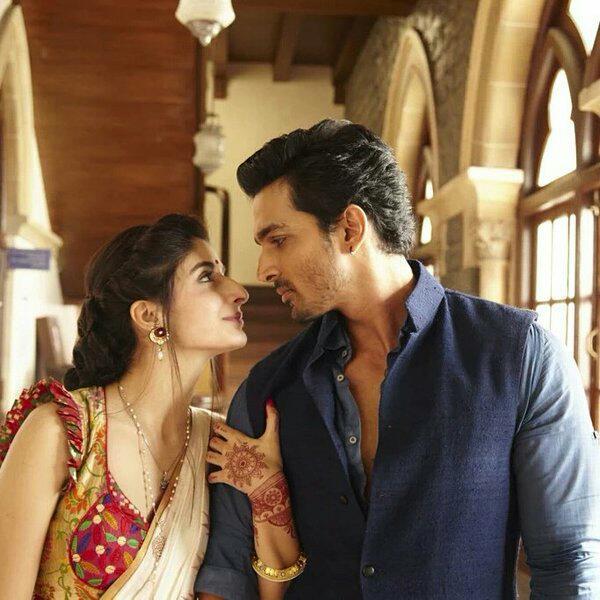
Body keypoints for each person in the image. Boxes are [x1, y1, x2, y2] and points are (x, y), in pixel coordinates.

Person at [196, 120, 600, 599]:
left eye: (278, 239)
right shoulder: (267, 390)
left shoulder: (520, 356)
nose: (264, 269)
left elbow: (569, 562)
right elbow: (228, 576)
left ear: (350, 229)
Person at [0, 214, 301, 599]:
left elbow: (269, 591)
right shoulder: (64, 432)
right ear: (149, 315)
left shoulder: (220, 447)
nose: (238, 291)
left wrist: (268, 490)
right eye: (206, 277)